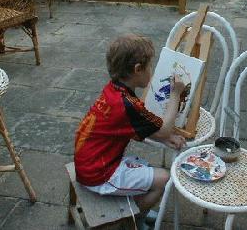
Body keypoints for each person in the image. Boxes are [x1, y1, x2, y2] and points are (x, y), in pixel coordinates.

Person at [74, 33, 186, 228]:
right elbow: (165, 129)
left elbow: (131, 128)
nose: (152, 70)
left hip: (89, 161)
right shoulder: (128, 105)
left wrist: (163, 138)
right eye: (149, 66)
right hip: (98, 173)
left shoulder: (114, 90)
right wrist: (176, 93)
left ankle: (135, 209)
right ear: (137, 69)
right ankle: (134, 219)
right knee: (165, 179)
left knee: (143, 165)